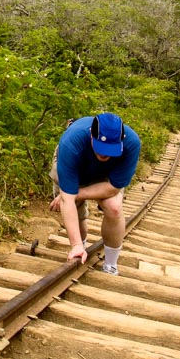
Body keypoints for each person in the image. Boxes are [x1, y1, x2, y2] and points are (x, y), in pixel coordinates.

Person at [49, 112, 141, 275]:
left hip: (107, 174)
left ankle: (111, 264)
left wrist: (73, 194)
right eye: (100, 148)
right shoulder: (71, 143)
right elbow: (68, 202)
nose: (104, 154)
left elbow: (113, 187)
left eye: (110, 150)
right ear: (91, 135)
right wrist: (68, 197)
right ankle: (79, 248)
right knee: (75, 212)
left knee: (114, 208)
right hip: (76, 164)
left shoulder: (131, 144)